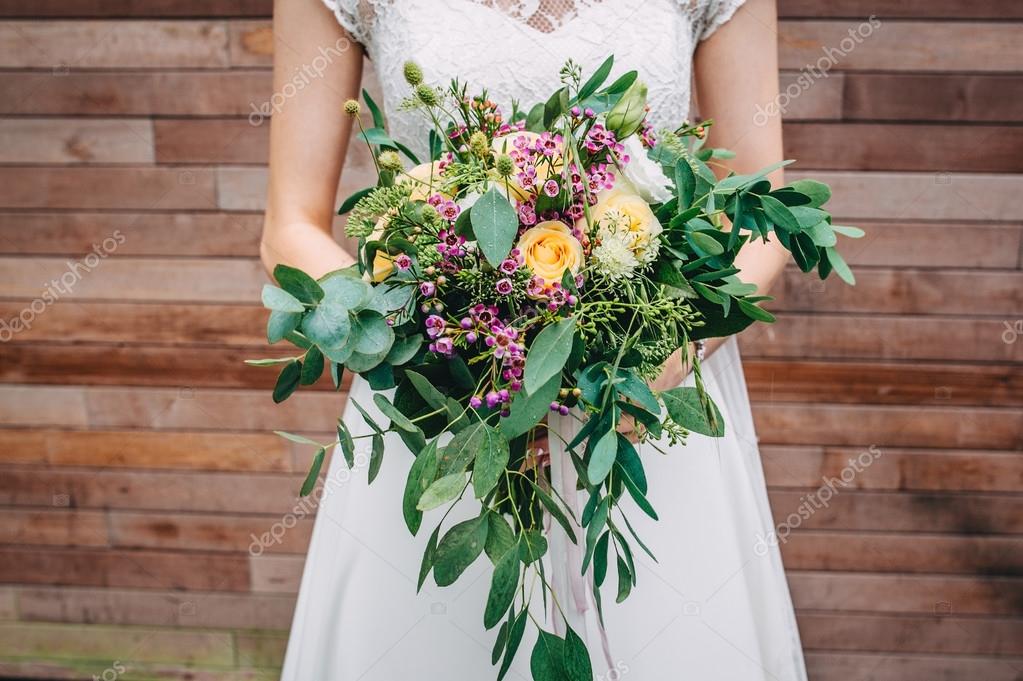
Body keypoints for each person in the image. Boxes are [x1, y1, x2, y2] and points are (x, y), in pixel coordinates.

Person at [261, 1, 806, 678]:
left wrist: (650, 363)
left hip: (640, 401)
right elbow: (289, 225)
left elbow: (762, 214)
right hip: (443, 404)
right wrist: (439, 341)